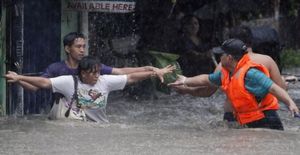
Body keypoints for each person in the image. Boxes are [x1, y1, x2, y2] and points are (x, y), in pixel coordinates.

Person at [169, 38, 299, 130]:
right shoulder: (226, 73)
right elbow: (205, 79)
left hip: (267, 119)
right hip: (246, 118)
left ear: (229, 58)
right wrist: (185, 80)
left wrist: (290, 103)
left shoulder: (251, 74)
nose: (219, 58)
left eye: (222, 55)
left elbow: (275, 89)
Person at [5, 56, 175, 123]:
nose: (97, 76)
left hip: (101, 126)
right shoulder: (69, 81)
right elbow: (43, 83)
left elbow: (129, 77)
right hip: (76, 125)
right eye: (94, 73)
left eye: (98, 72)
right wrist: (20, 78)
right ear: (83, 73)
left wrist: (153, 72)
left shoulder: (105, 81)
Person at [17, 32, 160, 91]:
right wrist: (17, 79)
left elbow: (121, 71)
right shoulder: (55, 68)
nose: (82, 50)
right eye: (78, 47)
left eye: (84, 46)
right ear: (67, 48)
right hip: (65, 113)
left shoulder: (91, 66)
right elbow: (36, 87)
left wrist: (146, 68)